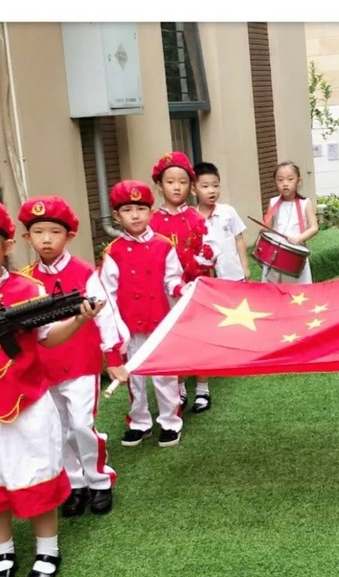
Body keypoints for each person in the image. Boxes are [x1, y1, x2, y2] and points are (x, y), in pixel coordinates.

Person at [0, 197, 102, 577]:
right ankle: (2, 552)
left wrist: (78, 320)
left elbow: (48, 337)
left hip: (27, 406)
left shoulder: (27, 288)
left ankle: (47, 550)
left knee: (36, 478)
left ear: (6, 246)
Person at [18, 195, 130, 517]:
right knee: (57, 428)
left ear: (68, 236)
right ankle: (75, 483)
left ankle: (99, 480)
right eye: (38, 232)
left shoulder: (84, 273)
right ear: (27, 237)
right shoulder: (24, 280)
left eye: (54, 232)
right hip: (44, 367)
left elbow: (106, 315)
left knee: (81, 425)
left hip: (81, 362)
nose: (46, 239)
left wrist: (115, 358)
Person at [99, 180, 186, 448]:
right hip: (129, 325)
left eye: (140, 209)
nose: (135, 215)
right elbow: (107, 294)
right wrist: (115, 330)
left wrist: (181, 288)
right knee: (134, 376)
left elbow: (172, 279)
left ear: (151, 212)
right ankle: (139, 421)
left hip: (160, 321)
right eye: (127, 210)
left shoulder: (164, 245)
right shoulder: (113, 252)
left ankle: (170, 422)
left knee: (164, 375)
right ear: (117, 216)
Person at [177, 161, 251, 413]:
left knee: (236, 314)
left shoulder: (227, 212)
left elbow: (239, 239)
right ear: (194, 189)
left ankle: (237, 354)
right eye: (206, 186)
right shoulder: (190, 217)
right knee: (211, 318)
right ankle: (213, 359)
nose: (212, 191)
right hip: (204, 278)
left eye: (216, 185)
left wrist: (245, 267)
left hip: (231, 273)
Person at [150, 150, 214, 283]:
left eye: (183, 182)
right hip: (161, 285)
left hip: (194, 285)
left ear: (191, 186)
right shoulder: (151, 222)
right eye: (170, 182)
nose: (177, 187)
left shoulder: (198, 220)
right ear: (160, 185)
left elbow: (210, 256)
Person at [261, 161, 319, 283]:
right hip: (275, 253)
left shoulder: (305, 203)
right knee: (274, 288)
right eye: (280, 180)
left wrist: (299, 238)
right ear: (275, 182)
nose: (285, 183)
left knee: (297, 289)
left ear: (299, 181)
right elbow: (267, 229)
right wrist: (265, 224)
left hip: (296, 253)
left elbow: (314, 227)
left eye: (290, 179)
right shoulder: (273, 202)